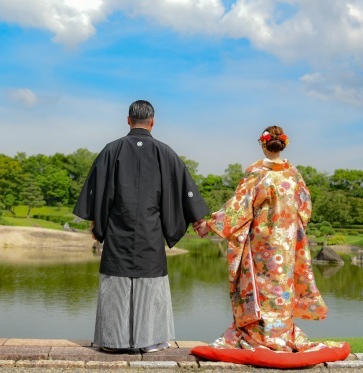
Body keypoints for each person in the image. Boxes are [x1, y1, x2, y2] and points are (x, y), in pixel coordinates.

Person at [74, 100, 209, 353]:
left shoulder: (111, 150)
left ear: (128, 120)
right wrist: (198, 219)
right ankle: (150, 341)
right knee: (150, 284)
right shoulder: (165, 152)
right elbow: (184, 188)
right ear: (152, 122)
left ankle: (113, 342)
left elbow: (98, 191)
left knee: (117, 283)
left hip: (117, 229)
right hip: (151, 231)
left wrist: (95, 222)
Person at [194, 125, 332, 352]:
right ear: (283, 144)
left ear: (262, 143)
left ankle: (260, 335)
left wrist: (210, 224)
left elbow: (239, 206)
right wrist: (288, 227)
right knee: (282, 284)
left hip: (262, 241)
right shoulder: (294, 175)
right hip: (287, 242)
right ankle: (282, 333)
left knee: (263, 286)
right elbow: (305, 207)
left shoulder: (257, 172)